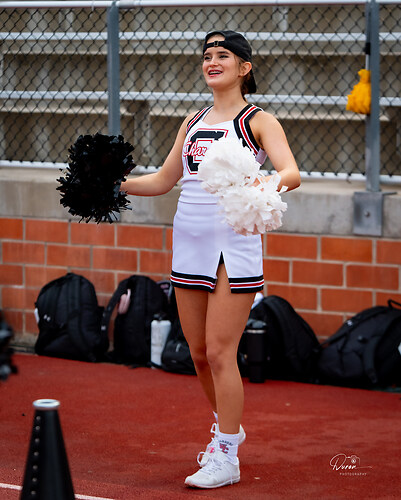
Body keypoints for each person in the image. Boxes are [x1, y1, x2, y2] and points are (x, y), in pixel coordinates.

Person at [121, 30, 301, 489]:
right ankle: (228, 433)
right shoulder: (193, 121)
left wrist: (263, 186)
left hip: (232, 247)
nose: (212, 62)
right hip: (188, 242)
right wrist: (110, 184)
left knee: (221, 352)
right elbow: (164, 180)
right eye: (207, 56)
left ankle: (226, 454)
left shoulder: (258, 120)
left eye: (223, 55)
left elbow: (291, 172)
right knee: (199, 355)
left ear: (244, 68)